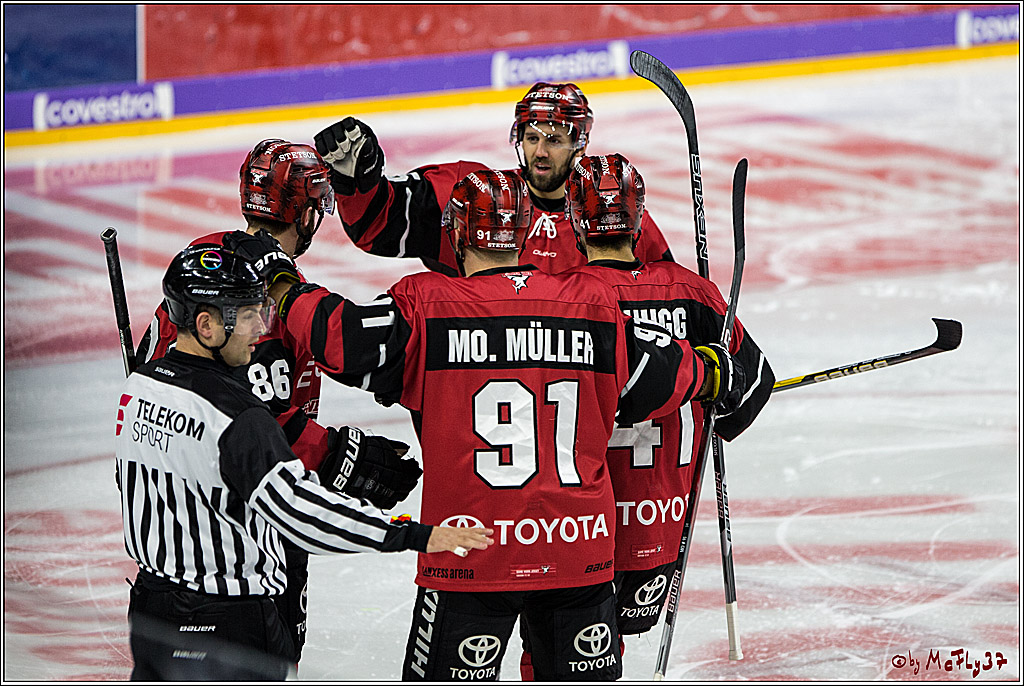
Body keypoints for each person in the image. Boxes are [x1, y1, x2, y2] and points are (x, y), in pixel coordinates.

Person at [233, 169, 745, 680]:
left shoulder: (426, 307)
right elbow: (661, 377)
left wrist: (282, 283)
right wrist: (712, 369)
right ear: (526, 233)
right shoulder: (589, 305)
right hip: (578, 553)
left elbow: (340, 337)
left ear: (455, 234)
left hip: (468, 554)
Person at [117, 243, 492, 680]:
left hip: (151, 613)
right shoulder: (240, 416)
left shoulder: (138, 388)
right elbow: (301, 514)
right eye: (247, 313)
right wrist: (414, 535)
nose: (261, 327)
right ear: (206, 325)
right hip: (227, 627)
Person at [134, 138, 424, 667]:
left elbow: (149, 371)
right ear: (306, 208)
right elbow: (260, 424)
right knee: (268, 657)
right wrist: (341, 458)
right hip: (247, 527)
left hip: (175, 519)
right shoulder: (266, 293)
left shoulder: (198, 264)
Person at [563, 153, 775, 659]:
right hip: (661, 532)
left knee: (560, 656)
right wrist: (711, 387)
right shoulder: (692, 291)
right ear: (639, 218)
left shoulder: (567, 297)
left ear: (574, 221)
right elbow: (752, 389)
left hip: (579, 531)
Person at [312, 81, 674, 276]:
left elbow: (662, 292)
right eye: (533, 138)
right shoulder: (476, 195)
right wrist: (358, 184)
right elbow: (379, 228)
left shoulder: (608, 206)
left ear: (579, 144)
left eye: (555, 140)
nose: (541, 152)